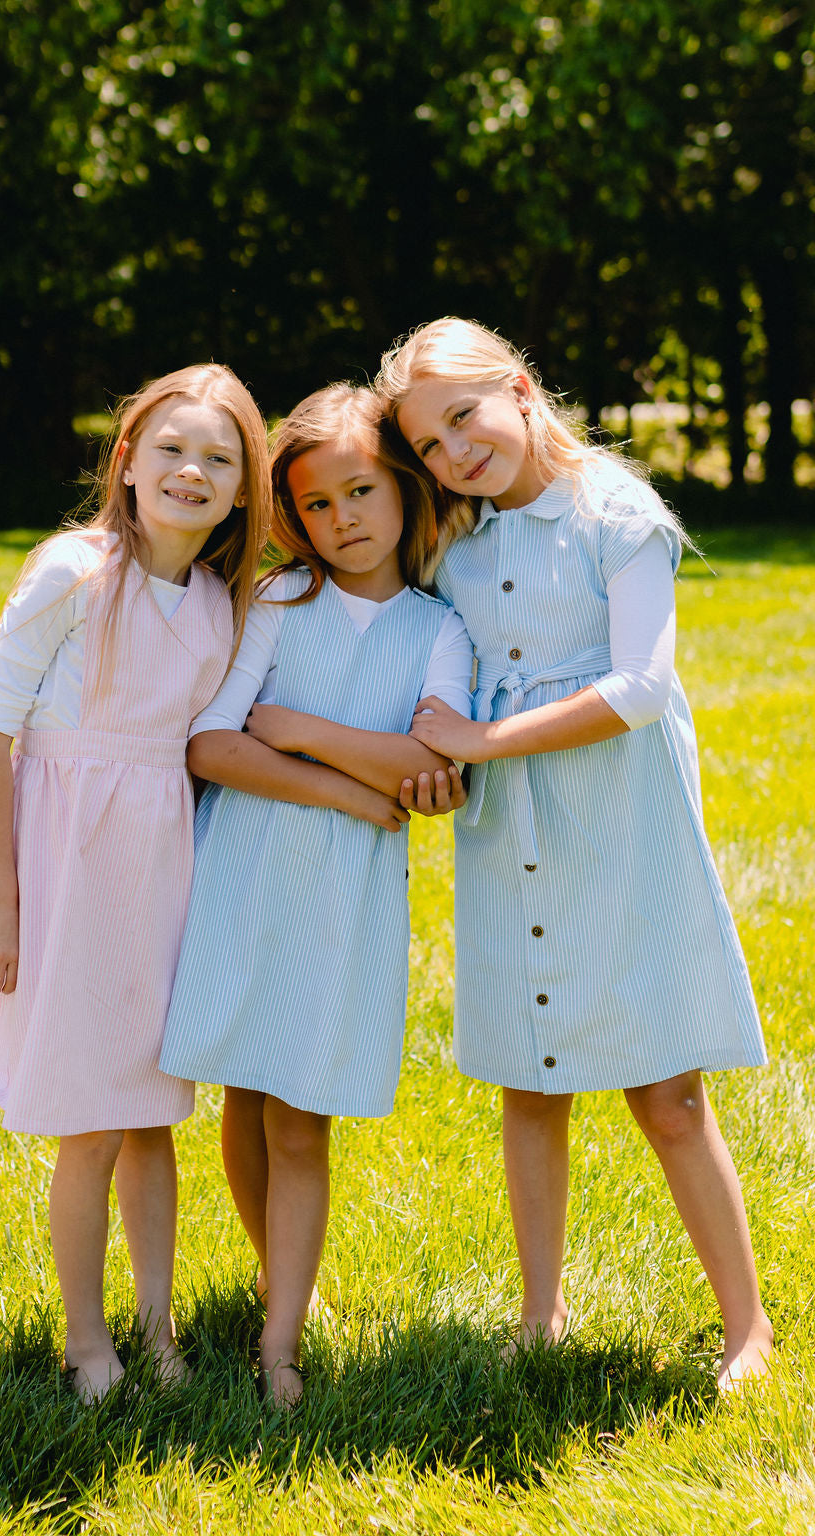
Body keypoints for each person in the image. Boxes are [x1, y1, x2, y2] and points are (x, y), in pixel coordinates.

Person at [377, 317, 772, 1391]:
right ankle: (539, 1312)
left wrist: (484, 742)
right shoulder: (457, 539)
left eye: (462, 419)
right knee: (528, 1076)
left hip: (622, 823)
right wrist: (434, 744)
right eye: (426, 446)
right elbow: (443, 665)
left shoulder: (615, 512)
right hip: (515, 834)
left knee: (666, 1092)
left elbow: (641, 687)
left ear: (516, 387)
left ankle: (747, 1330)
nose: (452, 455)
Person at [0, 364, 271, 1405]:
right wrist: (0, 893)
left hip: (160, 865)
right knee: (89, 1120)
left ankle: (158, 1326)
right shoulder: (71, 572)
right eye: (171, 448)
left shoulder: (219, 600)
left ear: (240, 491)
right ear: (126, 463)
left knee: (149, 1111)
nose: (193, 470)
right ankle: (88, 1342)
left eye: (220, 459)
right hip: (66, 862)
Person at [158, 383, 473, 1408]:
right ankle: (273, 1282)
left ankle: (281, 1342)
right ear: (292, 517)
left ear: (403, 488)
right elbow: (210, 744)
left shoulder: (440, 630)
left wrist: (293, 730)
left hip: (345, 905)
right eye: (318, 505)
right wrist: (350, 780)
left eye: (361, 491)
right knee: (246, 1092)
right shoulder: (281, 603)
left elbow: (434, 766)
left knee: (302, 1119)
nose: (343, 520)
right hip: (244, 883)